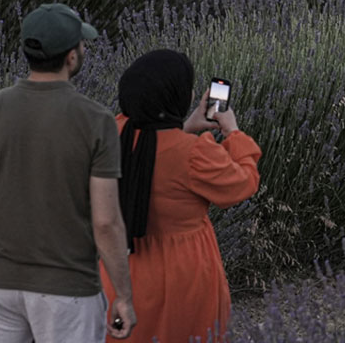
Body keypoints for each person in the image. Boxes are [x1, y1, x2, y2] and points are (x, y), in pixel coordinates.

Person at [0, 3, 136, 341]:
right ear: (71, 57)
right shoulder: (96, 120)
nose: (84, 50)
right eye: (82, 45)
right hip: (67, 289)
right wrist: (124, 296)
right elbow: (106, 222)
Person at [102, 49, 261, 343]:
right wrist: (234, 133)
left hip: (121, 266)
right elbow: (242, 183)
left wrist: (185, 125)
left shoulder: (114, 130)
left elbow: (150, 153)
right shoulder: (194, 152)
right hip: (182, 272)